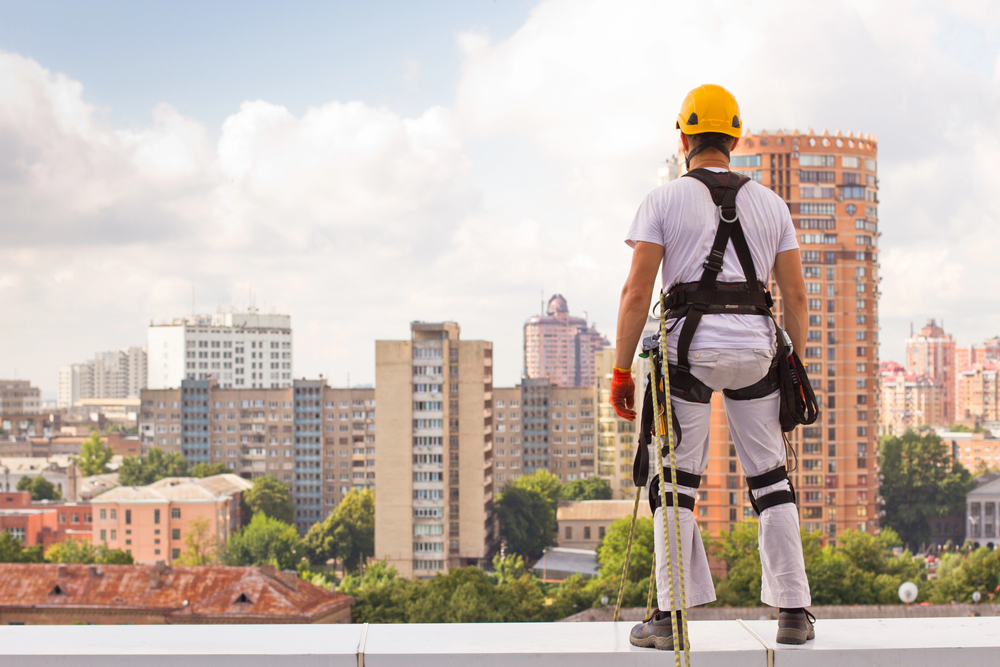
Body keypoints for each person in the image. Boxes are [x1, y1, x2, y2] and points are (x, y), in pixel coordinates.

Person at [612, 84, 815, 649]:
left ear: (684, 138)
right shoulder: (771, 204)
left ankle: (669, 619)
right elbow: (796, 299)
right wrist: (793, 365)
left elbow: (635, 294)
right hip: (756, 350)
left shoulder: (663, 201)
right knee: (771, 477)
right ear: (736, 138)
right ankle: (794, 612)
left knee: (675, 483)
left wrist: (622, 371)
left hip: (689, 351)